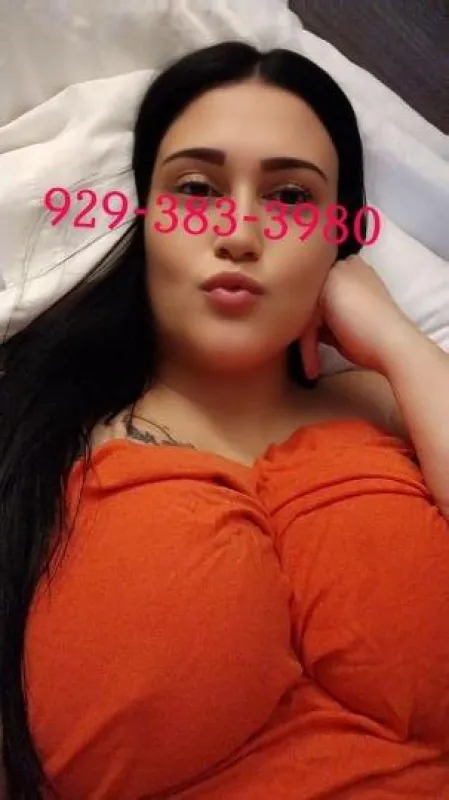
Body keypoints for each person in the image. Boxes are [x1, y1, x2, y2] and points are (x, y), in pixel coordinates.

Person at [0, 40, 448, 800]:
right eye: (197, 188)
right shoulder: (32, 432)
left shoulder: (401, 404)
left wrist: (400, 342)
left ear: (338, 237)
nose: (239, 232)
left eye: (291, 198)